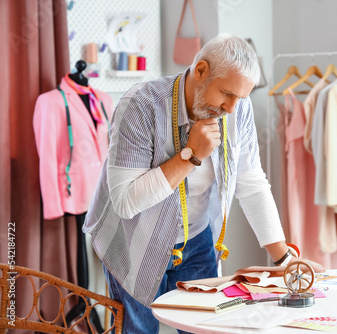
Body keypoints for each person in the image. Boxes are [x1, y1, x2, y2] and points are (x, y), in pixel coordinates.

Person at [83, 33, 324, 334]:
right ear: (200, 71)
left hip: (195, 240)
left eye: (240, 98)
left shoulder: (237, 109)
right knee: (139, 331)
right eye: (226, 94)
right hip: (135, 239)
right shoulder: (140, 106)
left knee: (207, 329)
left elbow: (250, 182)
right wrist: (190, 156)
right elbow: (125, 202)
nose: (232, 108)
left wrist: (283, 257)